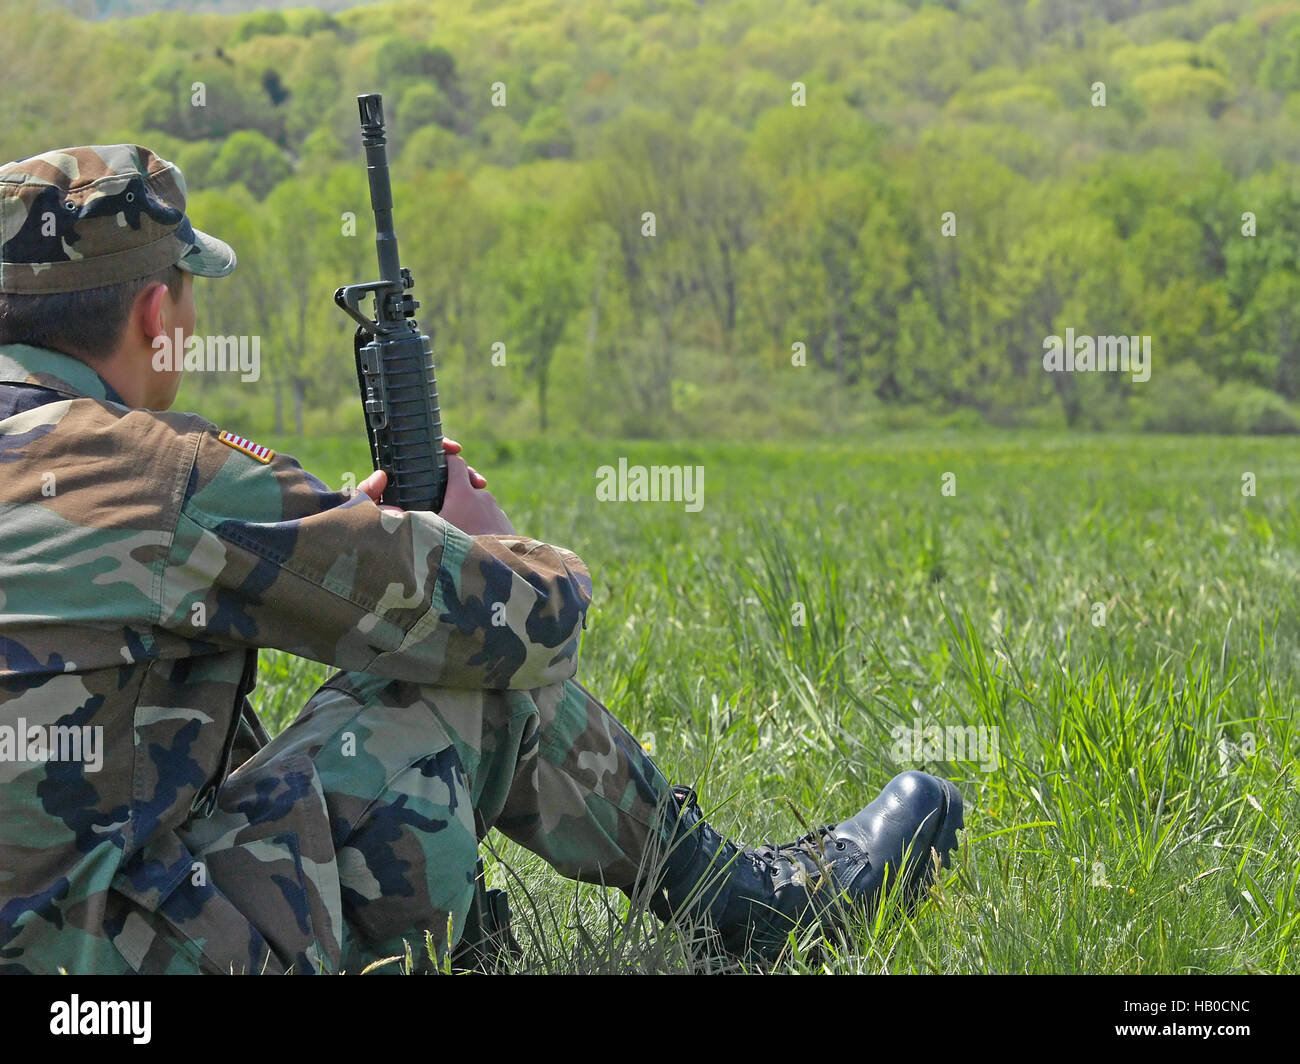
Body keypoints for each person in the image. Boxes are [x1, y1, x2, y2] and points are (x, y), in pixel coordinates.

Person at [0, 144, 964, 975]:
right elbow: (522, 624)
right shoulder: (161, 475)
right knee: (469, 684)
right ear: (156, 312)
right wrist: (488, 547)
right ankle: (758, 907)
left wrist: (353, 542)